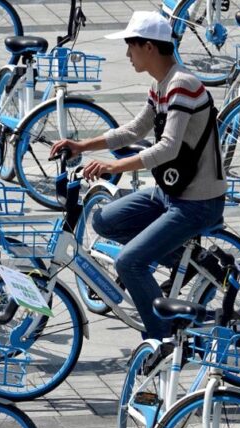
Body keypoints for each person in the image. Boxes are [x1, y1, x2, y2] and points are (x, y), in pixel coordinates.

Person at [50, 11, 227, 341]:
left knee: (130, 263)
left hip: (197, 202)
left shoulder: (182, 86)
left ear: (148, 47)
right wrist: (82, 145)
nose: (127, 54)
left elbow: (168, 148)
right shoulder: (160, 86)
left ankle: (161, 337)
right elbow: (134, 130)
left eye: (130, 47)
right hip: (169, 193)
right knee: (104, 221)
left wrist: (113, 166)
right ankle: (191, 260)